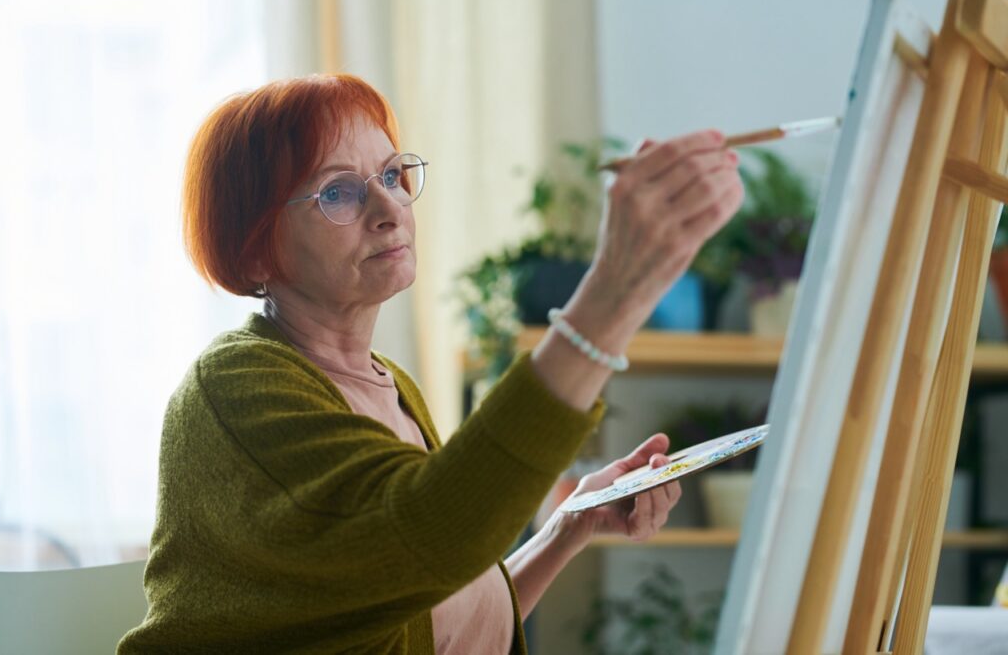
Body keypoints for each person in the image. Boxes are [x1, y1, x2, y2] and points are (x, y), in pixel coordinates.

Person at [118, 73, 744, 654]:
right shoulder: (236, 386)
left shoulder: (389, 386)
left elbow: (426, 599)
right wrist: (613, 292)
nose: (389, 209)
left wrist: (566, 528)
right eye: (338, 191)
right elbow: (432, 536)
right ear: (254, 253)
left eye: (392, 175)